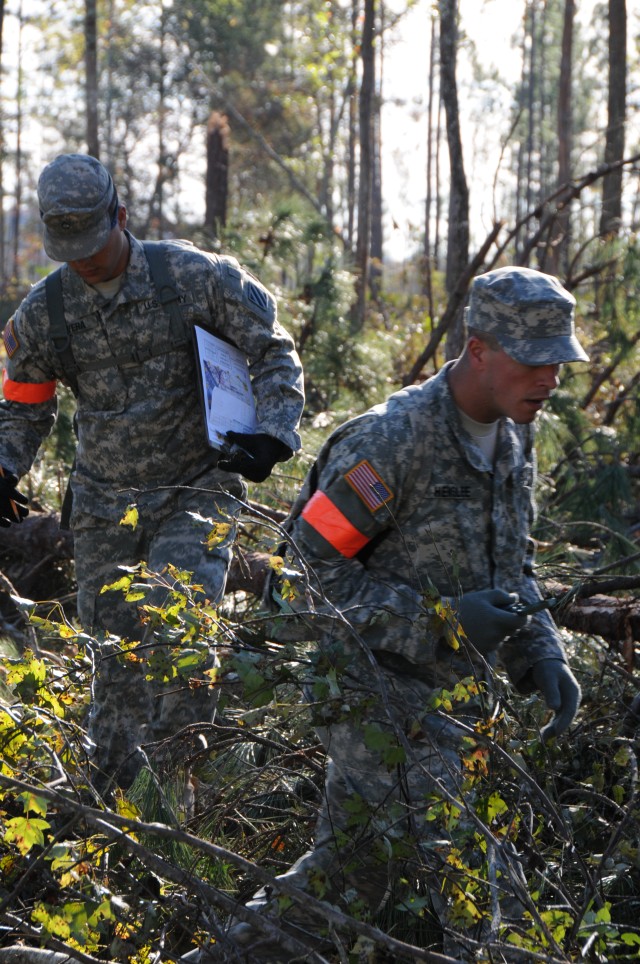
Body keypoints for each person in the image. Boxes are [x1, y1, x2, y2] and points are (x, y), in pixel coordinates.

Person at [189, 266, 587, 962]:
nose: (551, 378)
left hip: (459, 702)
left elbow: (513, 568)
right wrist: (439, 621)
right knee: (463, 886)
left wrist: (542, 650)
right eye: (535, 359)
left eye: (560, 361)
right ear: (480, 347)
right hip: (376, 693)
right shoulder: (392, 443)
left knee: (352, 878)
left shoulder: (515, 439)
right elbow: (301, 579)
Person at [0, 153, 304, 791]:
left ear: (121, 215)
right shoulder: (44, 313)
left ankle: (177, 810)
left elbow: (271, 349)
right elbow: (25, 406)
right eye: (69, 247)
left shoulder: (193, 276)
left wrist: (273, 433)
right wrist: (4, 469)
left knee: (179, 633)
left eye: (93, 240)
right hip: (104, 506)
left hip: (196, 490)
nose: (83, 259)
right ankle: (114, 815)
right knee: (113, 665)